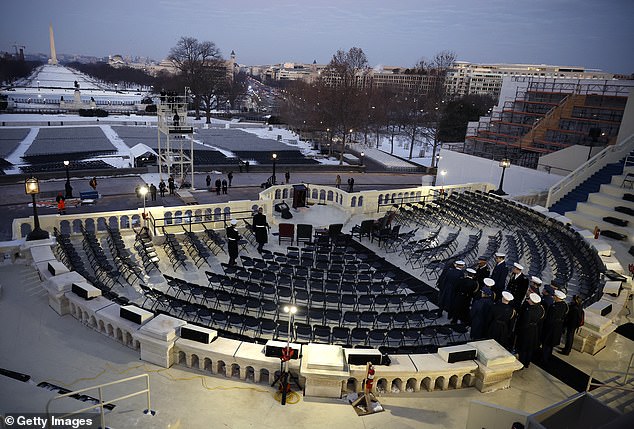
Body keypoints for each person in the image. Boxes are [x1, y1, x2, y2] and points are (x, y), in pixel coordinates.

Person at [515, 293, 545, 368]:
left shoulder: (528, 310)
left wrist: (519, 330)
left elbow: (525, 323)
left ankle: (521, 363)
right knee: (530, 348)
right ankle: (527, 363)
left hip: (527, 331)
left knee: (524, 348)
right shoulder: (540, 309)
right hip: (534, 330)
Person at [541, 290, 568, 363]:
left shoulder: (554, 307)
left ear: (557, 298)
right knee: (551, 344)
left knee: (546, 344)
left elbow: (549, 318)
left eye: (555, 296)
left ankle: (544, 358)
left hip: (551, 327)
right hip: (558, 327)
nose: (554, 297)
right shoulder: (564, 305)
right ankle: (548, 357)